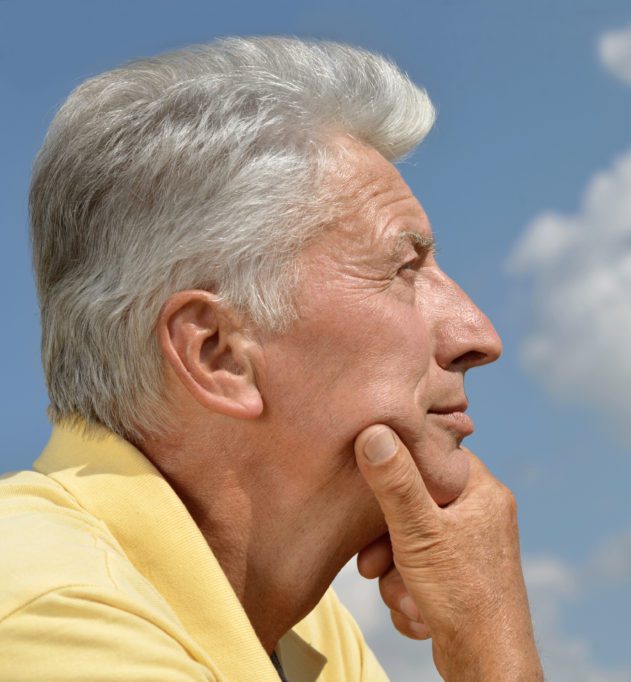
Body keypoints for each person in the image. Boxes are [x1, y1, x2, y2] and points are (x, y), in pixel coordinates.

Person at [0, 36, 543, 681]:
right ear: (218, 355)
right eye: (404, 270)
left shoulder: (298, 627)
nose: (478, 335)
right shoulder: (54, 609)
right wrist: (489, 647)